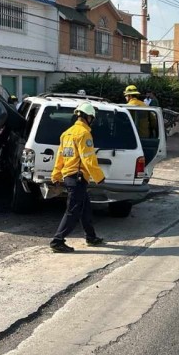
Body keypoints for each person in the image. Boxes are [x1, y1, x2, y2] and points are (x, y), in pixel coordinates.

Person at [50, 102, 106, 253]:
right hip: (78, 178)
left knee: (85, 208)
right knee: (73, 210)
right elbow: (88, 157)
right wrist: (99, 176)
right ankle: (57, 241)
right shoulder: (84, 134)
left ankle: (91, 237)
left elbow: (60, 156)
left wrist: (55, 174)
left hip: (70, 176)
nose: (92, 121)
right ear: (88, 117)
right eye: (92, 118)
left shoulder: (66, 133)